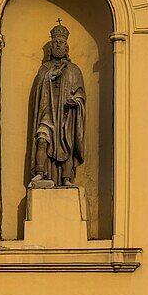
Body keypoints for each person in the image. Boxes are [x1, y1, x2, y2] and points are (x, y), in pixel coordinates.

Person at [30, 22, 86, 187]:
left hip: (66, 114)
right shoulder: (44, 69)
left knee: (67, 145)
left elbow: (81, 93)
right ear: (51, 48)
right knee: (42, 139)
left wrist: (75, 101)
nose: (58, 45)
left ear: (66, 47)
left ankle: (66, 178)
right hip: (47, 113)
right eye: (55, 43)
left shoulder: (74, 70)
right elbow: (39, 91)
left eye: (61, 43)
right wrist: (49, 77)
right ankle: (40, 173)